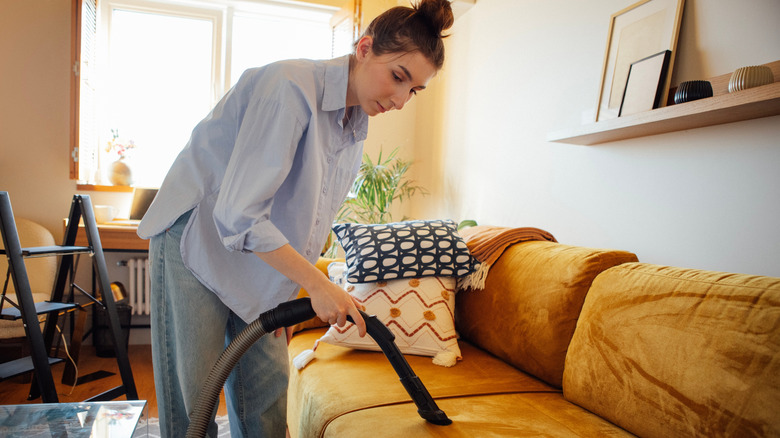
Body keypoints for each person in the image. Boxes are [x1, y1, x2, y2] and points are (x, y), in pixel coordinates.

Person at [137, 0, 454, 436]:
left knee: (266, 403)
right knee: (194, 409)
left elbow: (309, 220)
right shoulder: (288, 88)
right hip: (197, 242)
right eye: (398, 77)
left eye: (414, 90)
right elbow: (238, 212)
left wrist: (283, 297)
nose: (401, 100)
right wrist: (317, 284)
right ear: (364, 48)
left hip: (255, 258)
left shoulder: (356, 122)